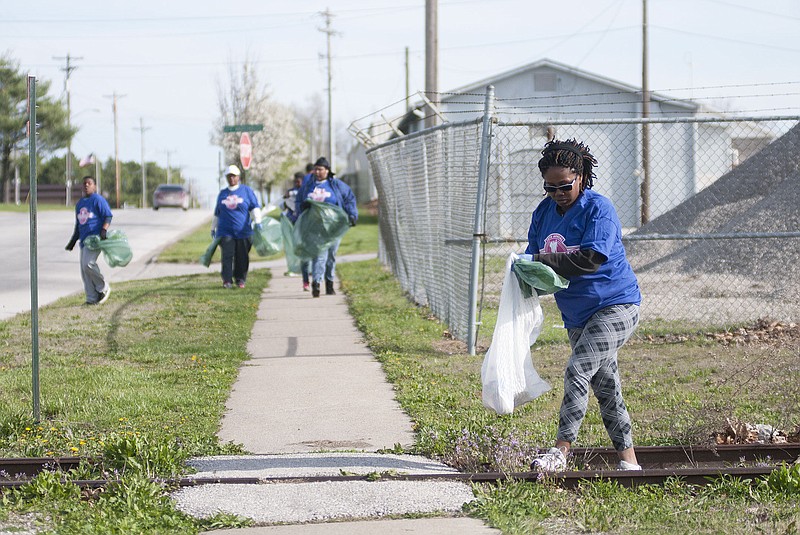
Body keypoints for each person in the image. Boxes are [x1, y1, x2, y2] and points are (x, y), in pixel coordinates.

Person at [525, 139, 642, 472]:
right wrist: (521, 271)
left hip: (616, 305)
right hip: (576, 313)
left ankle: (559, 452)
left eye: (565, 185)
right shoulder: (543, 213)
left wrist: (539, 259)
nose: (559, 192)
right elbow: (537, 263)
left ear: (581, 177)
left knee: (578, 370)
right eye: (551, 187)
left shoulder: (598, 209)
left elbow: (589, 259)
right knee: (606, 387)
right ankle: (629, 463)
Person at [296, 157, 358, 298]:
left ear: (327, 170)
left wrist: (353, 215)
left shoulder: (336, 185)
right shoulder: (308, 186)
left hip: (334, 227)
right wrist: (302, 207)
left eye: (320, 169)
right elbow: (299, 200)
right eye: (315, 169)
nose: (317, 172)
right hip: (315, 227)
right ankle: (316, 283)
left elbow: (349, 199)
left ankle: (329, 282)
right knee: (319, 255)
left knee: (331, 256)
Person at [212, 164, 263, 289]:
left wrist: (258, 221)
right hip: (225, 231)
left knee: (242, 256)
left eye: (234, 176)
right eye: (229, 176)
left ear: (238, 177)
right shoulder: (223, 193)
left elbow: (254, 207)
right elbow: (217, 212)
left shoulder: (246, 191)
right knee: (227, 256)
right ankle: (227, 280)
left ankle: (240, 279)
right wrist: (213, 228)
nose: (231, 179)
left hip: (243, 231)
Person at [65, 176, 113, 305]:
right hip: (84, 241)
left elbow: (107, 216)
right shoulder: (80, 203)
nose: (86, 185)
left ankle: (103, 287)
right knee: (84, 270)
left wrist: (104, 230)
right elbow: (79, 224)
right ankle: (91, 298)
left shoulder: (97, 199)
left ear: (94, 186)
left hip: (95, 239)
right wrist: (73, 241)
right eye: (84, 183)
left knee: (88, 264)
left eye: (89, 183)